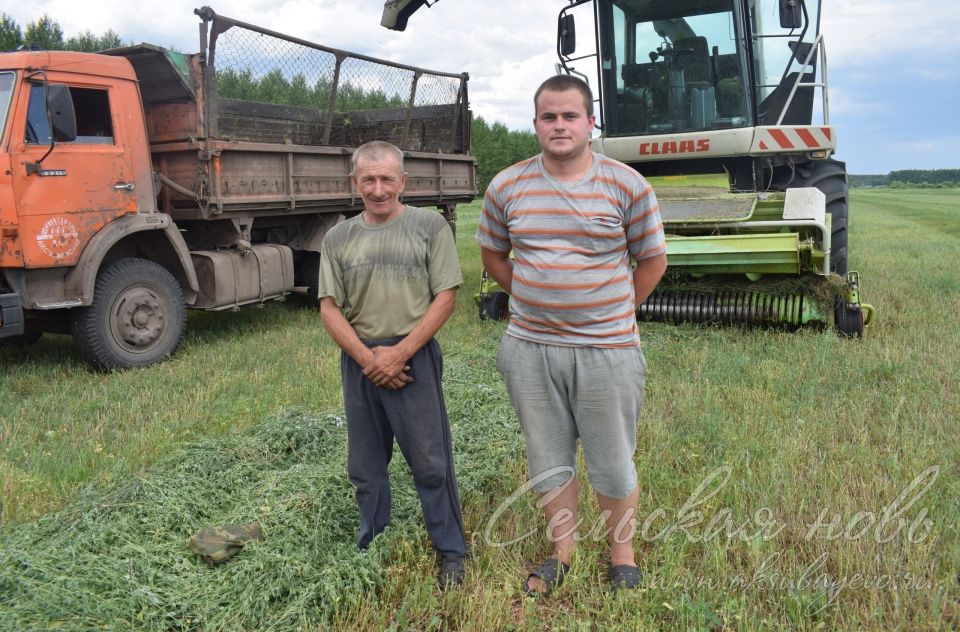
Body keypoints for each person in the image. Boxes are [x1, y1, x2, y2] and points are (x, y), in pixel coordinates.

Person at [476, 75, 667, 595]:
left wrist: (611, 310)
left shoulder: (627, 185)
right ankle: (564, 549)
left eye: (569, 116)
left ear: (590, 122)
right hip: (529, 349)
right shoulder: (507, 185)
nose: (559, 125)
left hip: (607, 350)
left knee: (612, 458)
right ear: (536, 123)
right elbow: (493, 255)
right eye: (548, 117)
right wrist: (536, 297)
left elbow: (652, 260)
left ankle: (622, 556)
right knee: (547, 455)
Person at [317, 140, 467, 589]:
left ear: (404, 181)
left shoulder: (429, 226)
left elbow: (446, 296)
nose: (378, 189)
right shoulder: (338, 237)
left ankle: (451, 551)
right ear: (354, 182)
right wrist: (369, 359)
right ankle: (372, 539)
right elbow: (329, 307)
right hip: (360, 361)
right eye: (369, 179)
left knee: (430, 462)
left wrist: (400, 353)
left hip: (414, 357)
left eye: (387, 179)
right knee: (365, 463)